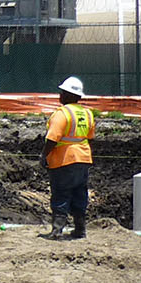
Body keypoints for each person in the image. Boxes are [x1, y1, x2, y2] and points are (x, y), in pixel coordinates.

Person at [39, 76, 95, 240]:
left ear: (69, 95)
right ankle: (80, 229)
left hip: (64, 160)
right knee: (80, 194)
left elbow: (52, 138)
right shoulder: (87, 113)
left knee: (61, 194)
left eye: (63, 92)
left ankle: (57, 230)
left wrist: (44, 155)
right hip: (83, 159)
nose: (60, 95)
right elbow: (90, 137)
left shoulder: (62, 114)